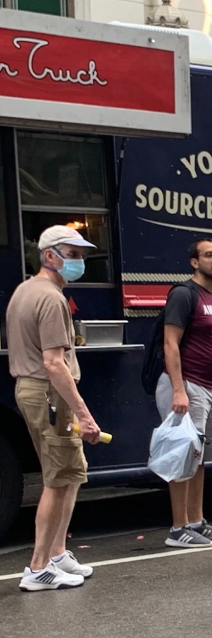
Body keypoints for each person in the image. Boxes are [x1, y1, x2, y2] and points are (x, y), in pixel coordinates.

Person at [7, 225, 102, 591]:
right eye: (72, 254)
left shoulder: (25, 291)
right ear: (50, 256)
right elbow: (54, 363)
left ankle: (58, 554)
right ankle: (38, 567)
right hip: (48, 393)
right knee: (57, 478)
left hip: (36, 391)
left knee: (70, 471)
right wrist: (84, 414)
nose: (79, 261)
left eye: (80, 255)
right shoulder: (51, 298)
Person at [156, 239, 212, 548]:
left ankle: (196, 521)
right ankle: (177, 529)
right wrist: (179, 390)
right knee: (182, 456)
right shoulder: (183, 294)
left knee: (199, 458)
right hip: (188, 385)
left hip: (211, 388)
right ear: (193, 262)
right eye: (209, 255)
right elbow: (170, 343)